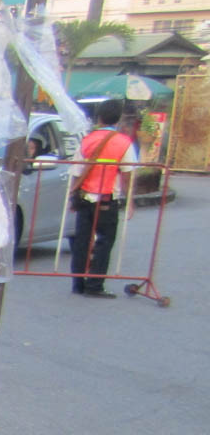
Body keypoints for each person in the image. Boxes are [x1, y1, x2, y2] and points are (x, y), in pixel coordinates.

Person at [70, 97, 137, 299]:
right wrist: (130, 201)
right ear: (118, 119)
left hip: (84, 198)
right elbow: (127, 175)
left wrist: (72, 196)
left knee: (82, 241)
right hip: (107, 199)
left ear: (99, 117)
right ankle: (95, 284)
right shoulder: (124, 143)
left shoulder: (87, 140)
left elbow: (76, 171)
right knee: (104, 242)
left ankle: (78, 283)